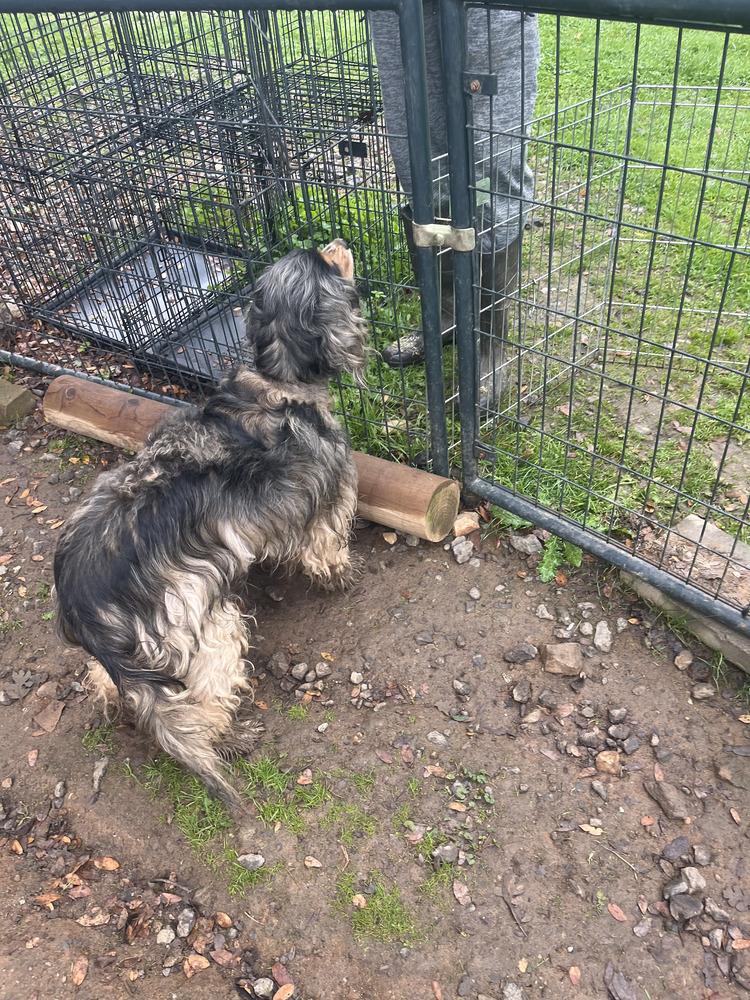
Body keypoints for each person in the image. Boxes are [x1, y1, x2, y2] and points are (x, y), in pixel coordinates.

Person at [369, 3, 539, 399]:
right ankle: (447, 316)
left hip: (490, 12)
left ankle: (489, 343)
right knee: (420, 161)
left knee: (493, 164)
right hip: (402, 10)